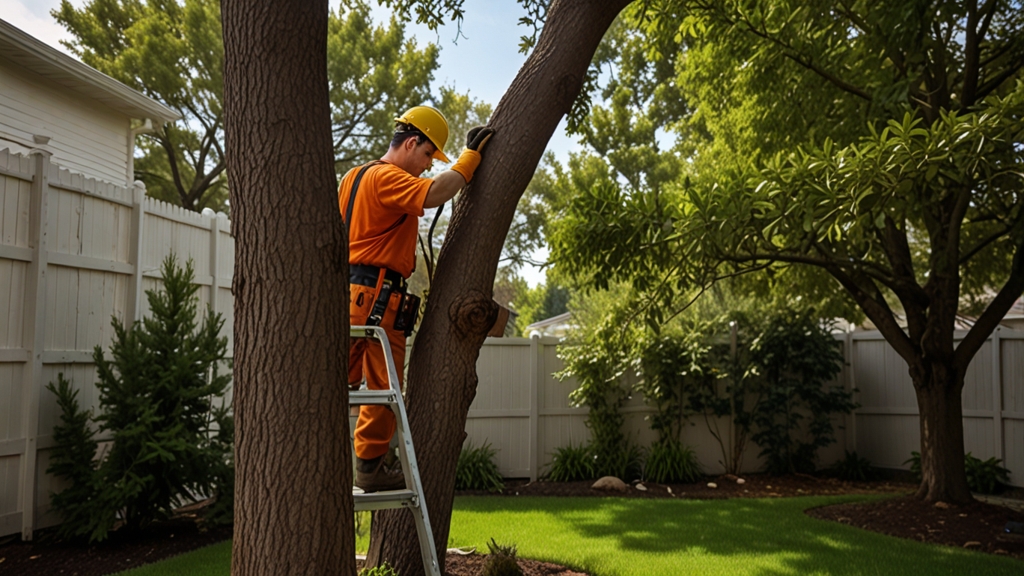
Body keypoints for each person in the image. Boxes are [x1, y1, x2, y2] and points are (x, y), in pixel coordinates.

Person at [340, 105, 494, 492]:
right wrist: (469, 159)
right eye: (427, 155)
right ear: (412, 142)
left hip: (346, 294)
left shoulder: (352, 177)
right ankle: (369, 470)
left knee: (338, 382)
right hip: (377, 300)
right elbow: (437, 193)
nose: (427, 165)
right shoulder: (388, 177)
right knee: (382, 388)